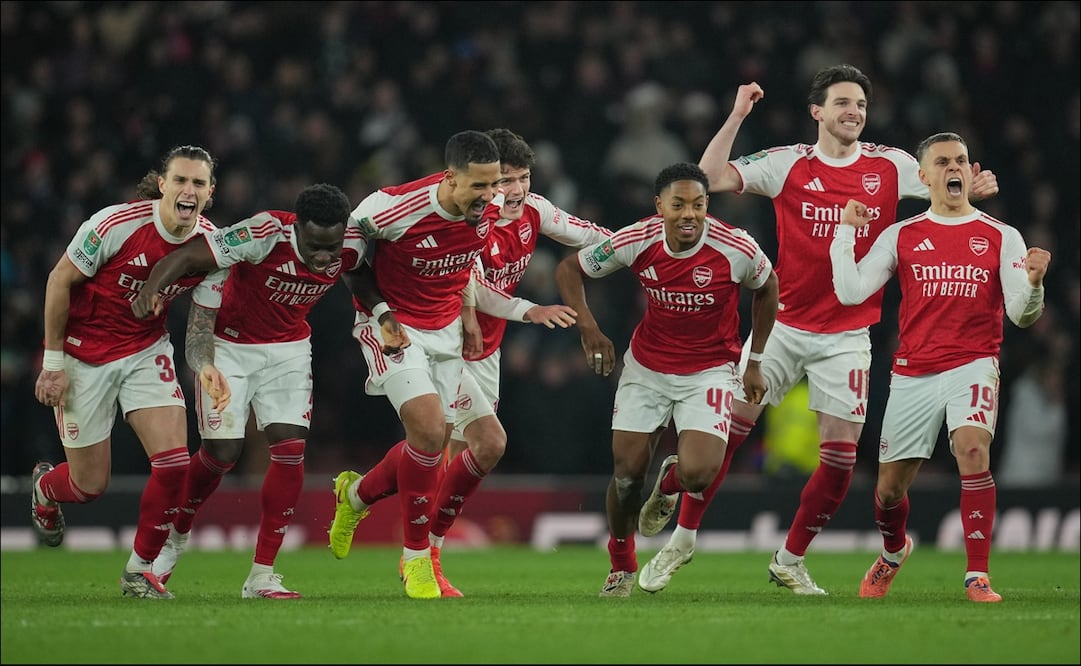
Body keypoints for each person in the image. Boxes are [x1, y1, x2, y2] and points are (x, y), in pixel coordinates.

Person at [638, 65, 1000, 596]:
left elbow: (949, 190)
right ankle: (680, 541)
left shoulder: (892, 167)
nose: (854, 111)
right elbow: (709, 178)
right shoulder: (787, 164)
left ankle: (789, 558)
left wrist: (972, 185)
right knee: (724, 438)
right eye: (843, 103)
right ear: (818, 112)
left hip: (849, 336)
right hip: (780, 327)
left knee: (840, 461)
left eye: (860, 104)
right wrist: (738, 114)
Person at [327, 130, 576, 599]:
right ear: (451, 180)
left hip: (445, 338)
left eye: (497, 186)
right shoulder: (397, 206)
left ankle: (355, 495)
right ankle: (418, 560)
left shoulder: (487, 213)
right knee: (426, 432)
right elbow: (352, 234)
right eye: (482, 187)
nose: (493, 198)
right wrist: (379, 309)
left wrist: (525, 311)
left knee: (488, 442)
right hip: (392, 328)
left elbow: (468, 280)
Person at [829, 131, 1050, 602]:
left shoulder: (1001, 235)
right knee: (889, 492)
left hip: (973, 363)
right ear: (924, 176)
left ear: (971, 173)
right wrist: (845, 233)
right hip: (912, 372)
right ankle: (893, 551)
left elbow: (1021, 315)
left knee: (972, 451)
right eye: (944, 161)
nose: (954, 168)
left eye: (962, 161)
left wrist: (1032, 284)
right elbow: (851, 292)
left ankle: (977, 575)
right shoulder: (902, 234)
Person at [554, 162, 778, 597]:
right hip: (647, 369)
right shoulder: (636, 239)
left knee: (698, 475)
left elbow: (769, 288)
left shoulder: (737, 247)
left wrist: (755, 361)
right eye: (679, 205)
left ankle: (670, 482)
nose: (690, 214)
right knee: (625, 477)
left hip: (711, 370)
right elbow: (569, 269)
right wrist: (588, 327)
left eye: (698, 204)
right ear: (660, 207)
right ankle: (621, 566)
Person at [129, 183, 361, 599]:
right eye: (315, 246)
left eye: (332, 247)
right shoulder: (263, 234)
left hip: (288, 349)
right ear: (297, 229)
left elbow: (374, 271)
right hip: (229, 348)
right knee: (223, 452)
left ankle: (262, 575)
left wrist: (383, 313)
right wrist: (151, 290)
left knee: (290, 450)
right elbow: (187, 256)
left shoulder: (353, 243)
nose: (325, 257)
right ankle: (175, 540)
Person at [422, 128, 616, 597]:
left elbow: (586, 233)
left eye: (522, 178)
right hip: (445, 341)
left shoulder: (535, 211)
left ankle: (364, 497)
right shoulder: (469, 218)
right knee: (441, 441)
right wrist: (532, 309)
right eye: (504, 180)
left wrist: (634, 244)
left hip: (487, 352)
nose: (513, 190)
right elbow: (480, 292)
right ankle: (424, 555)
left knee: (483, 450)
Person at [30, 145, 225, 599]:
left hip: (145, 351)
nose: (188, 190)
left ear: (210, 192)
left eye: (198, 183)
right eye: (180, 180)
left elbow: (200, 327)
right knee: (88, 485)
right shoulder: (115, 224)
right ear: (163, 184)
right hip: (84, 356)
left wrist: (206, 365)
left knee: (175, 463)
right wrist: (53, 363)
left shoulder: (210, 246)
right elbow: (60, 280)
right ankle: (45, 488)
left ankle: (140, 571)